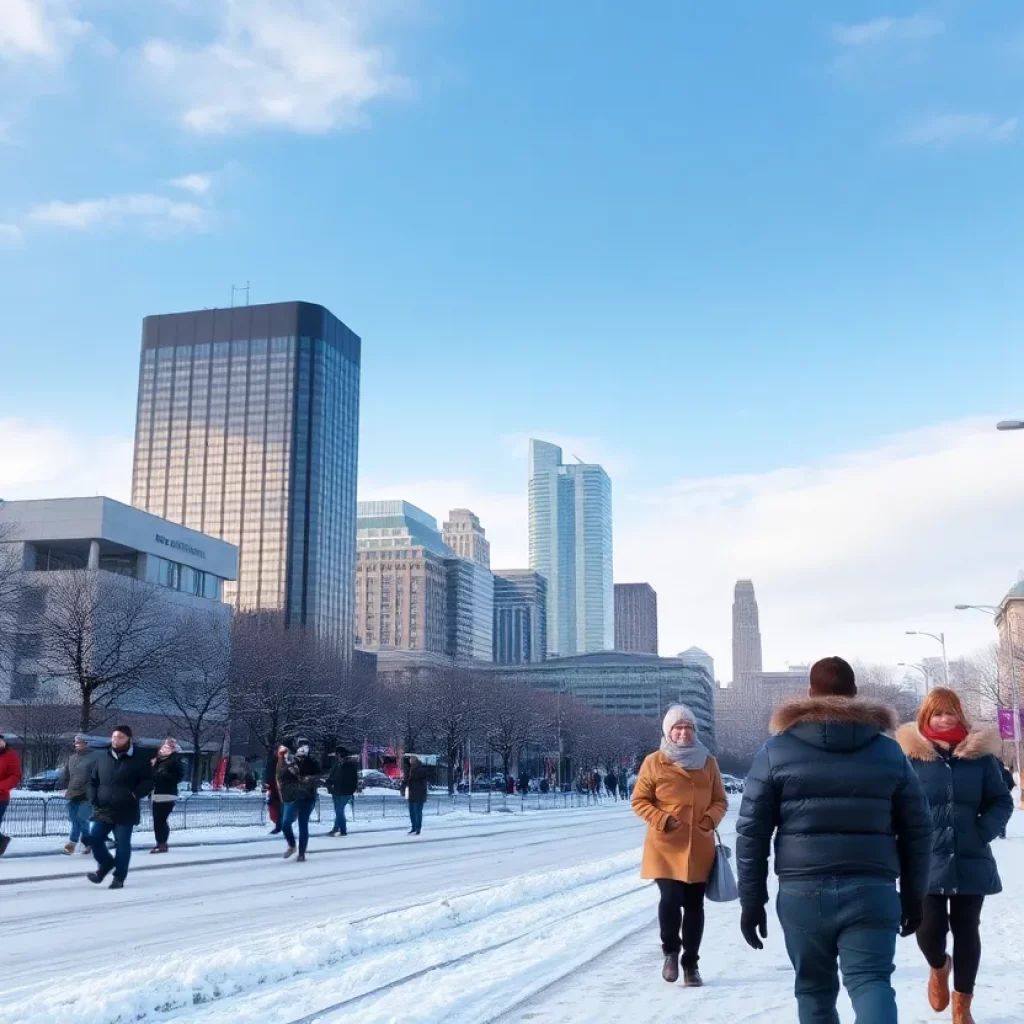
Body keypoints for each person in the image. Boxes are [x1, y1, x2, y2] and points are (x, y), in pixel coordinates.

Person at [736, 656, 932, 1024]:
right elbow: (917, 828)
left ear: (809, 694)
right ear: (855, 694)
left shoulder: (775, 751)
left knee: (813, 989)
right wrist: (913, 895)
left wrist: (752, 899)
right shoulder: (888, 752)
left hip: (801, 893)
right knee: (871, 983)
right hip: (871, 889)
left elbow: (752, 832)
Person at [896, 688, 1013, 1024]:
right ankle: (938, 966)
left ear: (961, 716)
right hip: (926, 861)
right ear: (925, 717)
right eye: (937, 713)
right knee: (928, 930)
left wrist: (981, 831)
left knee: (966, 929)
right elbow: (896, 806)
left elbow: (1001, 801)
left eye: (951, 712)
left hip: (970, 857)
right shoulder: (910, 760)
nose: (945, 719)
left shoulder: (980, 758)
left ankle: (962, 1007)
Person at [631, 704, 728, 987]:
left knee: (694, 905)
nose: (683, 732)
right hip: (665, 844)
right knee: (671, 899)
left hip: (699, 844)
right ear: (668, 732)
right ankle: (671, 953)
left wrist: (709, 820)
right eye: (678, 728)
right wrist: (661, 819)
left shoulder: (708, 762)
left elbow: (720, 799)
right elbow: (639, 800)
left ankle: (691, 966)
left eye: (688, 728)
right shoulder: (654, 762)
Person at [86, 725, 154, 889]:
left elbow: (148, 781)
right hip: (103, 807)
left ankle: (119, 877)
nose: (116, 740)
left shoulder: (139, 758)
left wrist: (135, 794)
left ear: (128, 739)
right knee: (94, 839)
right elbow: (92, 780)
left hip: (126, 808)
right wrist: (92, 797)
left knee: (122, 844)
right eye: (114, 737)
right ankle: (106, 864)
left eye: (120, 737)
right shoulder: (103, 757)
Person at [277, 738, 320, 861]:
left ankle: (301, 853)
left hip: (307, 797)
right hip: (293, 796)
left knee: (303, 824)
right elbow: (283, 778)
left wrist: (309, 779)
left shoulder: (312, 762)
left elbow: (318, 776)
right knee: (285, 824)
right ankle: (292, 845)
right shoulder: (290, 762)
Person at [59, 734, 94, 854]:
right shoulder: (72, 758)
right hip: (73, 793)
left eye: (80, 742)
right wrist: (62, 784)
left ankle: (72, 843)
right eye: (76, 743)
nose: (77, 745)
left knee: (81, 818)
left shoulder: (93, 759)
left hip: (86, 794)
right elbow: (66, 773)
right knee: (75, 819)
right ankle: (88, 843)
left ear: (86, 743)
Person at [150, 738, 184, 854]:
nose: (164, 749)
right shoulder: (158, 761)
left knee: (160, 819)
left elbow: (178, 777)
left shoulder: (174, 760)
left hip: (167, 793)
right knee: (158, 819)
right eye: (163, 746)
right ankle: (161, 843)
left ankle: (162, 843)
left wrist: (164, 775)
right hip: (156, 793)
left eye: (167, 747)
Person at [326, 745, 358, 837]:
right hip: (335, 791)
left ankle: (338, 829)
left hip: (345, 791)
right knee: (338, 811)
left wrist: (352, 789)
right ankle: (340, 829)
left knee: (339, 810)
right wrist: (328, 783)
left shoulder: (349, 765)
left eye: (337, 754)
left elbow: (353, 779)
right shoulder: (337, 764)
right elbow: (332, 776)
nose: (337, 756)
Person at [0, 733, 23, 857]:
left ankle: (2, 840)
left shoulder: (10, 755)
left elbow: (15, 776)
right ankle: (2, 840)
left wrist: (1, 787)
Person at [401, 754, 428, 835]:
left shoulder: (421, 769)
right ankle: (414, 827)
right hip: (412, 793)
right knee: (412, 811)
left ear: (415, 760)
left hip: (419, 794)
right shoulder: (409, 769)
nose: (410, 760)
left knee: (418, 812)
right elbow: (406, 780)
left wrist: (410, 776)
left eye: (411, 759)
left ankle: (418, 828)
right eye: (410, 759)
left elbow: (418, 778)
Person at [266, 747, 285, 834]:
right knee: (279, 807)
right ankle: (280, 825)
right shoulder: (279, 761)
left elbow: (269, 775)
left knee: (277, 807)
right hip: (277, 787)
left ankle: (279, 825)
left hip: (275, 787)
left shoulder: (273, 760)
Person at [998, 762, 1015, 839]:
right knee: (1002, 815)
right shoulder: (1006, 773)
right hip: (1004, 796)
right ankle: (1002, 833)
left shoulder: (991, 771)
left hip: (992, 797)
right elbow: (1011, 783)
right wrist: (1008, 791)